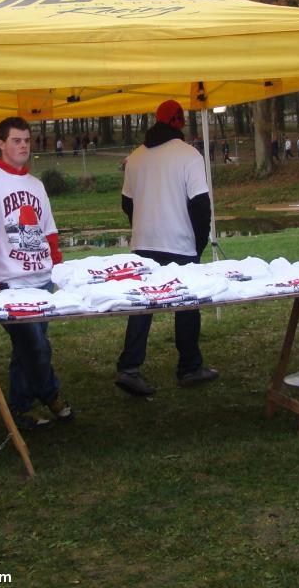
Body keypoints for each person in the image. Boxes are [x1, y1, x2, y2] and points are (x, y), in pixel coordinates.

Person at [0, 117, 73, 430]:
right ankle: (51, 395)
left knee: (26, 350)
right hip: (10, 282)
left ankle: (19, 409)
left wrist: (58, 268)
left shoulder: (35, 185)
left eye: (26, 140)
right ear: (1, 143)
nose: (23, 145)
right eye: (16, 140)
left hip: (42, 280)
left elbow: (48, 232)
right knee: (36, 347)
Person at [115, 100, 217, 396]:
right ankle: (189, 366)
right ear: (179, 123)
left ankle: (129, 367)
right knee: (187, 305)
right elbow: (200, 205)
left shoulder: (135, 157)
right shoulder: (189, 156)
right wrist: (197, 242)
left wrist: (145, 224)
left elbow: (127, 202)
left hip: (144, 241)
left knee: (142, 306)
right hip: (180, 242)